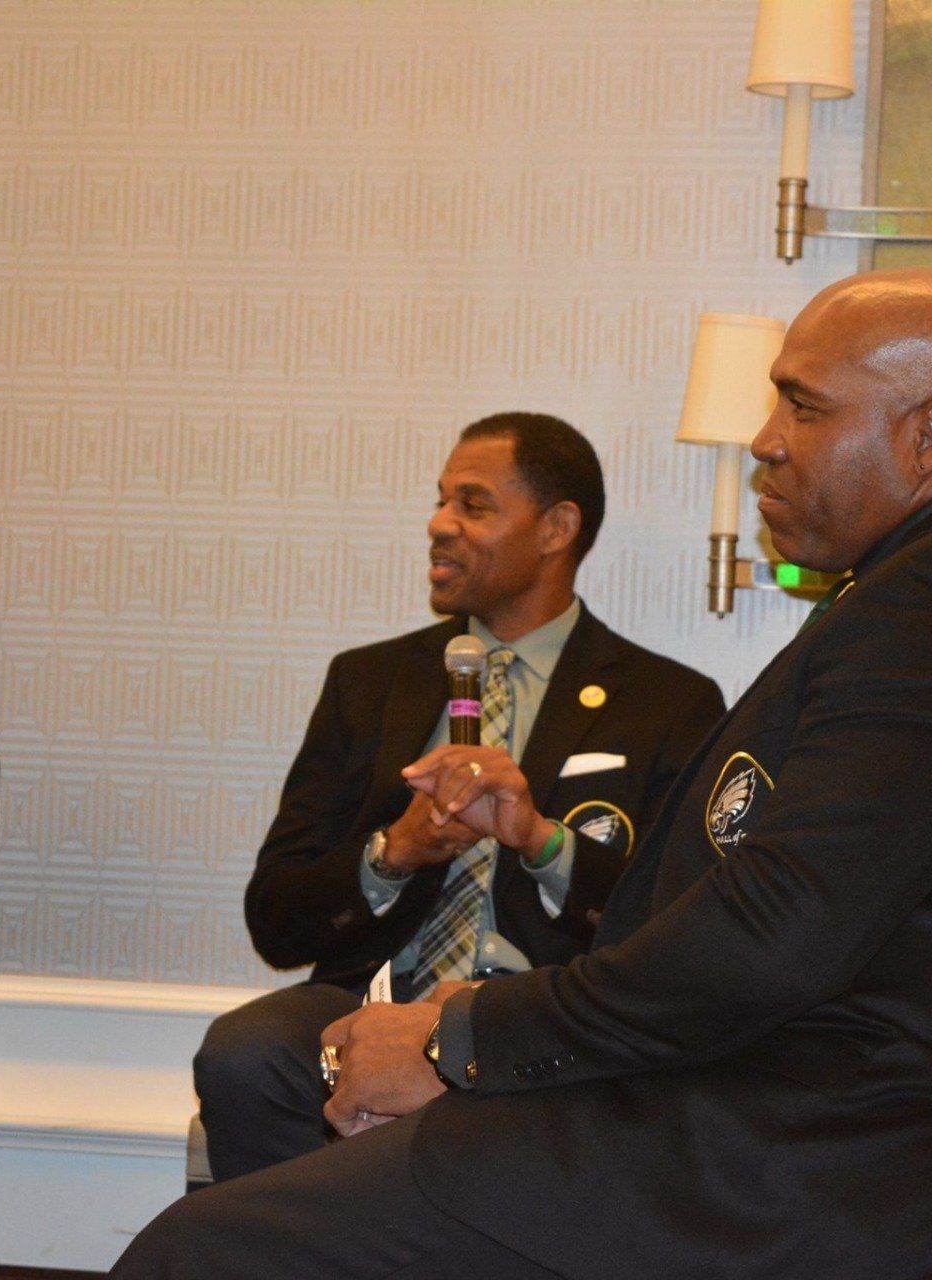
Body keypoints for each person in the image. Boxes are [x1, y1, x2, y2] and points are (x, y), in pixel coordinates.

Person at [110, 268, 932, 1280]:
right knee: (281, 1098)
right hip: (740, 1129)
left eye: (802, 405)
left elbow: (770, 933)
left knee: (201, 1253)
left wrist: (459, 1039)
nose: (765, 440)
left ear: (926, 433)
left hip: (806, 1181)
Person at [197, 412, 726, 1180]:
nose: (438, 524)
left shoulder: (667, 703)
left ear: (557, 528)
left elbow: (679, 919)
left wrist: (542, 842)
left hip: (543, 1014)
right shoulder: (369, 683)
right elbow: (276, 917)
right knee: (248, 1051)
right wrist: (394, 852)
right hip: (372, 998)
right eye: (442, 501)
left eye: (473, 506)